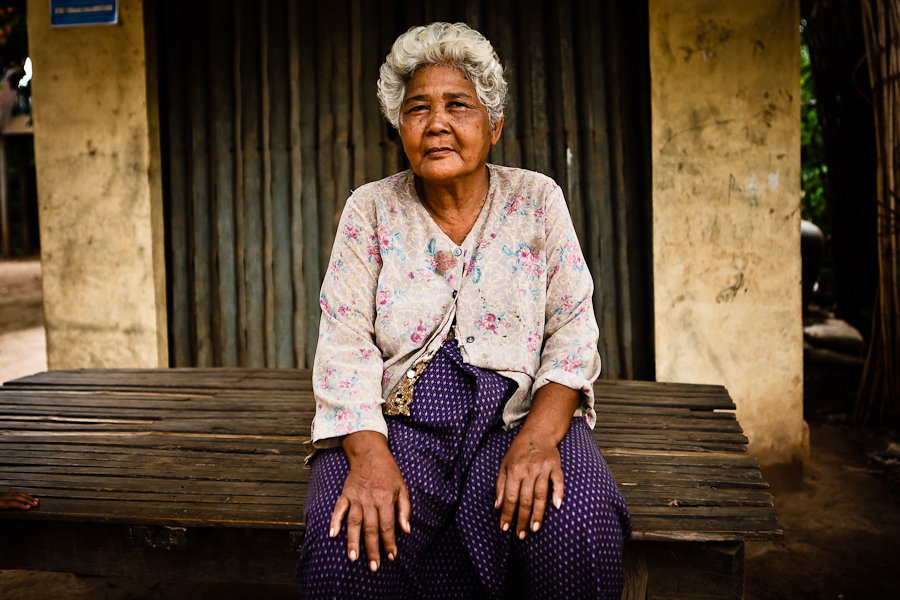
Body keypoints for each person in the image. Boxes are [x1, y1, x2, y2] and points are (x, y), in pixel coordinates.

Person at [296, 22, 630, 600]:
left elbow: (573, 331)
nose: (437, 123)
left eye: (459, 106)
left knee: (575, 526)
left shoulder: (537, 199)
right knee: (345, 544)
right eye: (418, 108)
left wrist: (541, 436)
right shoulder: (370, 210)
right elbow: (344, 341)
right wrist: (369, 455)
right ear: (401, 128)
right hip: (398, 425)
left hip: (519, 415)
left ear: (494, 126)